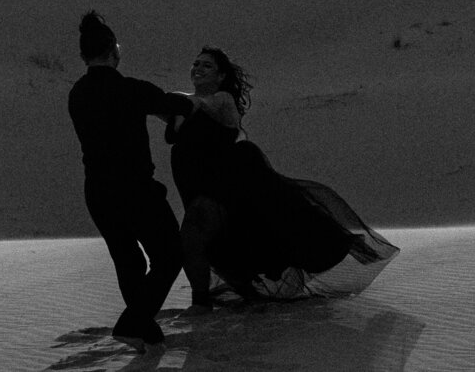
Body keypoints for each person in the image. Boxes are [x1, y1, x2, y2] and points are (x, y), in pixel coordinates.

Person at [166, 46, 399, 311]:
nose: (198, 68)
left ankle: (201, 303)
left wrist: (183, 102)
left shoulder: (222, 99)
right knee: (222, 243)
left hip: (224, 183)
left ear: (221, 76)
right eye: (196, 63)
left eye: (207, 65)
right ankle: (241, 297)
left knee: (194, 238)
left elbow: (212, 113)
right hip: (193, 182)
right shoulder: (180, 102)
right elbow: (160, 106)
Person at [67, 11, 193, 352]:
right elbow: (174, 103)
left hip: (97, 191)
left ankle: (146, 335)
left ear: (83, 55)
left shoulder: (77, 94)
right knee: (169, 255)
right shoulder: (130, 89)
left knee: (129, 261)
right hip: (134, 189)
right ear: (113, 50)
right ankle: (133, 324)